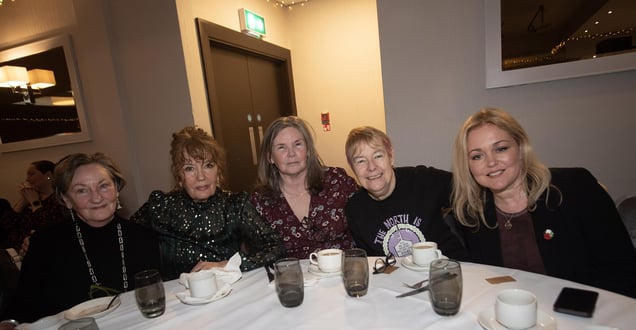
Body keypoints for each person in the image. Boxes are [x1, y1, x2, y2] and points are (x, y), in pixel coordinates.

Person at [451, 107, 636, 299]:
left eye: (501, 149)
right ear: (468, 165)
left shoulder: (575, 188)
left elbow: (623, 272)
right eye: (477, 156)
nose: (491, 162)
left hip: (591, 312)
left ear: (521, 149)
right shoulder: (473, 214)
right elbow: (487, 282)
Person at [4, 153, 161, 322]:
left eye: (103, 186)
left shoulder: (143, 237)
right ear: (66, 199)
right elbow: (23, 308)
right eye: (81, 190)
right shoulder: (45, 243)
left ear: (116, 188)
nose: (96, 198)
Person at [131, 126, 282, 280]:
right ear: (179, 177)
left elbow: (274, 248)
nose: (201, 176)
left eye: (208, 165)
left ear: (219, 171)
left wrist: (228, 265)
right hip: (179, 300)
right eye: (190, 168)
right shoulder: (161, 207)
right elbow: (123, 240)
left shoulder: (235, 205)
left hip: (228, 293)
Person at [344, 126, 467, 260]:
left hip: (452, 270)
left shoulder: (423, 179)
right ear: (352, 168)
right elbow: (373, 263)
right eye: (361, 161)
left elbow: (470, 192)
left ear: (391, 156)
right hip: (399, 280)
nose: (372, 167)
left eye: (378, 156)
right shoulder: (354, 210)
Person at [250, 116, 358, 259]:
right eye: (281, 147)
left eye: (298, 144)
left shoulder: (337, 181)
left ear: (308, 150)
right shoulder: (259, 202)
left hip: (345, 274)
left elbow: (370, 214)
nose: (291, 153)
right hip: (294, 279)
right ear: (270, 157)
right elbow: (255, 253)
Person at [6, 160, 65, 253]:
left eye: (31, 174)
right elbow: (5, 226)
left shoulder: (59, 200)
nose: (27, 179)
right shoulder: (29, 199)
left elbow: (48, 229)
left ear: (48, 175)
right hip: (9, 250)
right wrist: (22, 202)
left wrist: (35, 203)